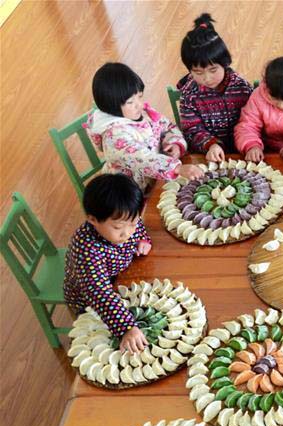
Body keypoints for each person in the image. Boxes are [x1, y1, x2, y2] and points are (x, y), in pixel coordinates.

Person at [64, 174, 153, 353]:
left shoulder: (126, 220)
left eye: (133, 223)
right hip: (89, 299)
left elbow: (139, 227)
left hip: (120, 279)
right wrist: (126, 328)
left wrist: (143, 240)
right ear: (92, 220)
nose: (127, 233)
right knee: (99, 342)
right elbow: (99, 293)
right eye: (118, 228)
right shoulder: (86, 247)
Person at [87, 63, 203, 191]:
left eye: (140, 96)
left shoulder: (142, 113)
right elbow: (143, 159)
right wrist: (176, 168)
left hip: (156, 178)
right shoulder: (113, 136)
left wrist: (175, 143)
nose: (139, 105)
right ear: (111, 106)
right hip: (130, 192)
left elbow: (168, 127)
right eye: (130, 102)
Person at [176, 13, 253, 161]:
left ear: (225, 63)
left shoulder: (242, 87)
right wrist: (211, 144)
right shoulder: (189, 94)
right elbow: (192, 129)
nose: (207, 78)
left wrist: (249, 144)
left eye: (213, 70)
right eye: (198, 72)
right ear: (189, 70)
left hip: (243, 149)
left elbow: (252, 121)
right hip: (208, 154)